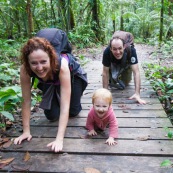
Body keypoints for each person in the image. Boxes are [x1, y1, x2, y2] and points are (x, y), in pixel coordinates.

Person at [14, 34, 88, 152]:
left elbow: (65, 106)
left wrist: (59, 139)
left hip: (73, 76)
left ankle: (72, 98)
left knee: (72, 112)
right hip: (48, 79)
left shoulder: (62, 65)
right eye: (34, 63)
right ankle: (55, 95)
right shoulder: (25, 69)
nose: (39, 67)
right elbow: (26, 101)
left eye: (43, 62)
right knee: (52, 116)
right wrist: (26, 131)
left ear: (51, 58)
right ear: (28, 63)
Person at [102, 36, 146, 104]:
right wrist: (104, 95)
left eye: (120, 48)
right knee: (113, 80)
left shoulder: (131, 50)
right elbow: (105, 73)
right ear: (110, 49)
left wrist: (137, 94)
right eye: (114, 49)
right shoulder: (107, 52)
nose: (118, 52)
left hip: (126, 64)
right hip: (113, 64)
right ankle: (112, 77)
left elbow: (136, 72)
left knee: (126, 82)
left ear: (124, 46)